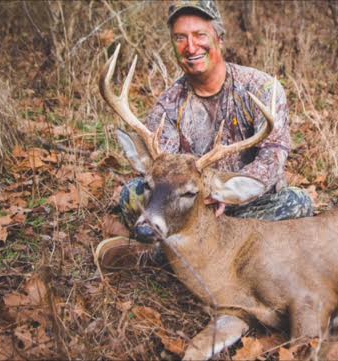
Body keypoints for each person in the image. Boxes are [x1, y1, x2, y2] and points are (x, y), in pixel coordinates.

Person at [118, 0, 313, 229]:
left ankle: (177, 249)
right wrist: (200, 197)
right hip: (193, 207)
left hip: (251, 203)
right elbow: (163, 172)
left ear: (219, 38)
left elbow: (273, 157)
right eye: (180, 38)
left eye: (200, 35)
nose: (191, 47)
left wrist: (225, 195)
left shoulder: (261, 88)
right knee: (132, 196)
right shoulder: (167, 106)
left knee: (297, 203)